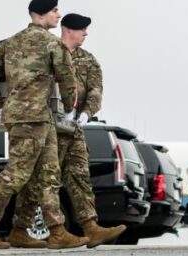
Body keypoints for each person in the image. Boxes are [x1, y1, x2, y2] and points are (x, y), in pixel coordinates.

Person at [0, 0, 87, 250]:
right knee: (16, 174)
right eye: (54, 11)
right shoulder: (52, 43)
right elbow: (67, 79)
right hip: (33, 119)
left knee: (49, 174)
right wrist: (69, 109)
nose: (58, 15)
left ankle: (49, 231)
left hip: (32, 118)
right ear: (41, 14)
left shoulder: (9, 43)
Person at [11, 13, 124, 247]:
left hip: (74, 130)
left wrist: (86, 113)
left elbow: (95, 91)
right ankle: (20, 229)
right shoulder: (48, 51)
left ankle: (91, 227)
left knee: (80, 177)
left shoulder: (88, 60)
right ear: (69, 30)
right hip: (48, 129)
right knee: (39, 182)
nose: (86, 34)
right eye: (82, 29)